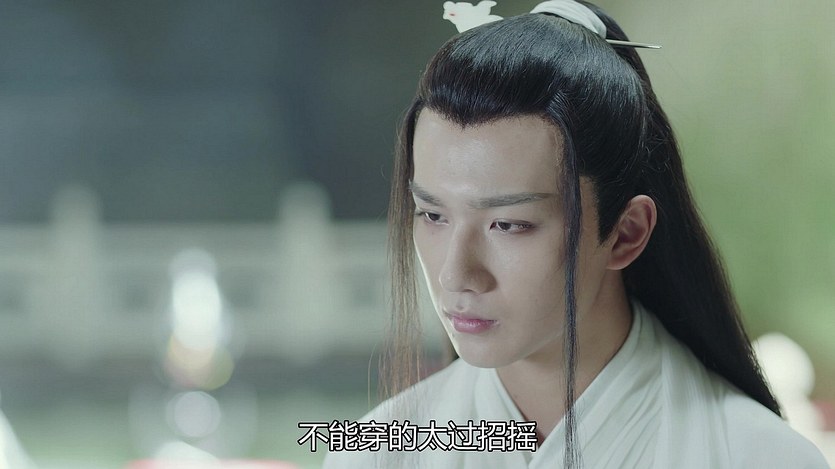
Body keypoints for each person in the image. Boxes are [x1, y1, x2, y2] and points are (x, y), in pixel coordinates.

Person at [322, 1, 830, 467]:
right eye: (432, 215)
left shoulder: (759, 456)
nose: (456, 274)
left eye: (508, 224)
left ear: (626, 233)